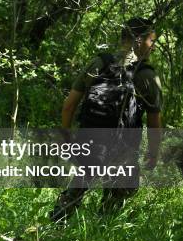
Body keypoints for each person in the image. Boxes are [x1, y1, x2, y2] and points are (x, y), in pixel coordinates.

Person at [50, 17, 162, 222]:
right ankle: (101, 231)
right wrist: (153, 153)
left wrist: (66, 137)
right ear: (139, 40)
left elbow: (69, 105)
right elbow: (154, 122)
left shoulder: (99, 63)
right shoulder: (146, 75)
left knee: (80, 181)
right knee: (121, 192)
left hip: (90, 138)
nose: (153, 47)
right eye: (151, 41)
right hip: (123, 146)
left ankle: (56, 223)